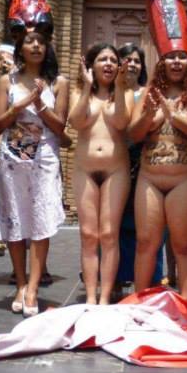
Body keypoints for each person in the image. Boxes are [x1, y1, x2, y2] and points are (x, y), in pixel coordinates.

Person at [129, 0, 187, 301]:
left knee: (183, 244)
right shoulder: (147, 92)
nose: (176, 61)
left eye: (182, 57)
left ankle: (186, 305)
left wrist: (175, 115)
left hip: (186, 177)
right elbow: (132, 134)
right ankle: (142, 303)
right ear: (161, 61)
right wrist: (151, 115)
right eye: (170, 56)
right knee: (147, 243)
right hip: (149, 175)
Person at [0, 0, 69, 317]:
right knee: (14, 221)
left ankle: (35, 286)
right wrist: (21, 103)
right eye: (29, 41)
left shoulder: (59, 82)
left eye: (40, 40)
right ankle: (20, 282)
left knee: (40, 222)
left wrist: (39, 102)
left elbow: (61, 127)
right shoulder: (6, 81)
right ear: (20, 46)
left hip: (45, 160)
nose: (35, 45)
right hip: (12, 160)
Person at [68, 43, 131, 305]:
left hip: (115, 169)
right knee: (88, 234)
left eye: (112, 60)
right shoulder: (77, 92)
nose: (108, 64)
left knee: (108, 234)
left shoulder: (124, 93)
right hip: (85, 169)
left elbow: (120, 122)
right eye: (102, 59)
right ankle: (91, 298)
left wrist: (118, 86)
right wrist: (85, 87)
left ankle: (105, 297)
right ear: (92, 65)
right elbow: (76, 121)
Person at [113, 43, 164, 298]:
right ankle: (115, 279)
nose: (131, 64)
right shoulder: (109, 91)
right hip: (113, 163)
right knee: (116, 224)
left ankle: (150, 283)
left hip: (144, 162)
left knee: (148, 225)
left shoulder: (149, 93)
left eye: (136, 60)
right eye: (126, 59)